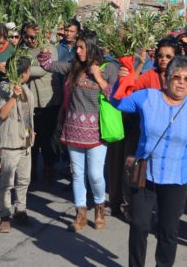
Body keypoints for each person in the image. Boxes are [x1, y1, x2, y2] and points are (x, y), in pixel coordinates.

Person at [113, 55, 187, 267]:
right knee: (139, 225)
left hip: (177, 178)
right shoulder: (148, 97)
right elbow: (118, 102)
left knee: (168, 231)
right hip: (145, 174)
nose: (182, 83)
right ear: (166, 79)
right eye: (177, 77)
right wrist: (122, 80)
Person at [37, 30, 118, 232]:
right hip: (73, 129)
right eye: (77, 47)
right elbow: (47, 65)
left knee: (95, 175)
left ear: (92, 48)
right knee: (77, 174)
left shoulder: (109, 68)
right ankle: (80, 214)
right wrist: (44, 47)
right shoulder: (73, 67)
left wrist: (98, 76)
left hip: (97, 132)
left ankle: (99, 206)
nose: (78, 51)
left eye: (82, 47)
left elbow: (114, 96)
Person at [0, 56, 35, 233]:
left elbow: (28, 115)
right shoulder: (3, 89)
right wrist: (13, 97)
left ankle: (21, 210)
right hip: (10, 141)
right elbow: (2, 114)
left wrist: (31, 133)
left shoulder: (27, 89)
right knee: (7, 182)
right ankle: (4, 215)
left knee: (24, 179)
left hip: (25, 142)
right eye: (29, 70)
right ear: (23, 73)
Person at [21, 22, 62, 185]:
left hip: (48, 100)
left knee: (47, 139)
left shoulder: (48, 48)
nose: (30, 40)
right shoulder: (23, 50)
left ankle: (48, 168)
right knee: (30, 139)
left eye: (33, 37)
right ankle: (30, 173)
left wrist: (25, 70)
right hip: (29, 100)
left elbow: (45, 68)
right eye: (27, 36)